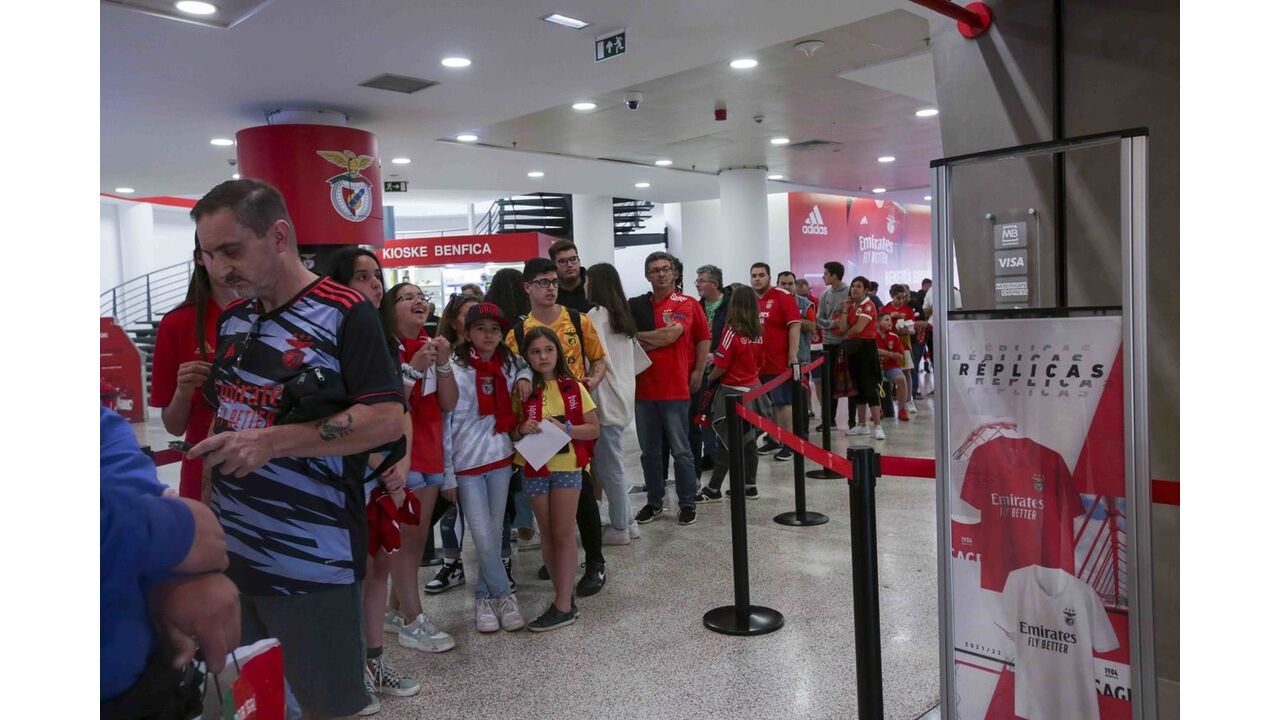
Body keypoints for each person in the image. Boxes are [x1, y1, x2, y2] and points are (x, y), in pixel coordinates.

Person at [188, 179, 406, 719]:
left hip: (313, 562)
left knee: (331, 706)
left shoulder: (345, 312)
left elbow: (386, 417)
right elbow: (231, 420)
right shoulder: (236, 318)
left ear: (279, 235)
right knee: (252, 705)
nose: (218, 269)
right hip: (233, 561)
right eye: (208, 255)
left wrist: (274, 442)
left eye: (231, 251)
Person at [328, 260, 427, 713]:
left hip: (383, 475)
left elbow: (396, 408)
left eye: (376, 277)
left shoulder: (384, 343)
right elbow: (328, 417)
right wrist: (377, 459)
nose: (372, 284)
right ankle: (347, 671)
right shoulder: (327, 337)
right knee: (353, 573)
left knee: (379, 568)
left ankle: (373, 662)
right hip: (343, 476)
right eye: (361, 275)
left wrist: (399, 464)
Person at [101, 406, 240, 719]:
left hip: (143, 681)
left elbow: (110, 450)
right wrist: (172, 533)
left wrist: (166, 576)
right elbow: (198, 537)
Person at [505, 257, 609, 596]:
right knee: (546, 499)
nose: (550, 288)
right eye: (543, 282)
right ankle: (560, 556)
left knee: (584, 490)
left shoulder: (577, 320)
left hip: (576, 413)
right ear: (528, 288)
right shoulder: (517, 332)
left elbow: (600, 360)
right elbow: (511, 371)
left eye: (554, 281)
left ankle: (594, 561)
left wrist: (588, 384)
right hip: (536, 420)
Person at [435, 302, 533, 634]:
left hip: (501, 458)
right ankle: (504, 595)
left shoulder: (509, 362)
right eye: (481, 329)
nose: (488, 335)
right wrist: (447, 472)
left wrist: (522, 376)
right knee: (480, 533)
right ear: (467, 331)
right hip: (466, 464)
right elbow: (445, 423)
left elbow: (527, 367)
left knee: (493, 530)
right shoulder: (452, 367)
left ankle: (482, 596)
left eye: (494, 329)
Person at [378, 284, 458, 655]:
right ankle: (414, 620)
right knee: (405, 543)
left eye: (421, 296)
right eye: (406, 297)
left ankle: (394, 611)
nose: (418, 301)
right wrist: (413, 369)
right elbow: (388, 407)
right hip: (401, 456)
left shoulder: (429, 342)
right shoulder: (382, 347)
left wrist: (442, 363)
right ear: (390, 310)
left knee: (417, 537)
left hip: (430, 452)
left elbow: (448, 402)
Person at [512, 327, 600, 630]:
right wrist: (523, 427)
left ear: (558, 352)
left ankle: (563, 605)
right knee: (547, 533)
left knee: (563, 532)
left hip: (567, 466)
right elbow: (510, 429)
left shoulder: (573, 387)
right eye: (535, 352)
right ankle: (562, 594)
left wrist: (567, 430)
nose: (543, 356)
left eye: (548, 350)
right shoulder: (521, 388)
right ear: (527, 357)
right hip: (534, 466)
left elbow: (593, 428)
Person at [149, 232, 237, 499]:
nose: (230, 261)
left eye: (236, 249)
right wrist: (183, 391)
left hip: (269, 466)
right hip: (203, 470)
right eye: (218, 252)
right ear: (200, 257)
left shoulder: (269, 314)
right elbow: (174, 426)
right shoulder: (177, 323)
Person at [630, 251, 711, 526]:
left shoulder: (685, 303)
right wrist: (653, 340)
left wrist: (699, 370)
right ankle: (655, 502)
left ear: (675, 273)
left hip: (676, 388)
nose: (661, 274)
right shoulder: (639, 307)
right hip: (643, 389)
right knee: (649, 451)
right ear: (647, 275)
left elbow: (681, 336)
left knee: (681, 449)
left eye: (666, 269)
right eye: (654, 270)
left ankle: (687, 502)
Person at [423, 293, 480, 595]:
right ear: (454, 320)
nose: (474, 320)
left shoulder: (493, 352)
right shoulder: (441, 354)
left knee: (492, 515)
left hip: (487, 449)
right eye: (468, 313)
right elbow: (444, 410)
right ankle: (451, 564)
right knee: (450, 509)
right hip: (452, 443)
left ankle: (499, 566)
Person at [585, 263, 641, 545]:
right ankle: (628, 521)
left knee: (610, 468)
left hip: (604, 399)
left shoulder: (596, 316)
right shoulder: (622, 317)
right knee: (614, 463)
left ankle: (619, 527)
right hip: (623, 396)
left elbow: (597, 358)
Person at [694, 287, 766, 502]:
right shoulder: (758, 332)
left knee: (726, 441)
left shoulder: (732, 331)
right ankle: (749, 485)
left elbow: (722, 365)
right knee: (749, 440)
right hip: (754, 389)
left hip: (732, 392)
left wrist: (710, 377)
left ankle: (714, 488)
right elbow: (761, 362)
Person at [749, 262, 800, 461]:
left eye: (761, 275)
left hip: (779, 362)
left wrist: (792, 356)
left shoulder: (782, 296)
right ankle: (773, 438)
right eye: (754, 275)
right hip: (757, 363)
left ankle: (789, 443)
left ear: (769, 277)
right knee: (767, 405)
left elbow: (794, 326)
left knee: (783, 403)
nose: (757, 279)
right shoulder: (751, 299)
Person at [835, 275, 886, 441]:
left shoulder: (869, 305)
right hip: (853, 350)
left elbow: (858, 328)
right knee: (857, 387)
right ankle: (862, 425)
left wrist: (845, 334)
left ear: (866, 290)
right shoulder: (852, 306)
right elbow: (842, 326)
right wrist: (844, 309)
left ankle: (878, 426)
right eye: (853, 286)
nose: (854, 289)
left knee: (869, 386)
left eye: (859, 286)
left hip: (865, 349)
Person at [693, 264, 730, 472]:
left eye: (701, 281)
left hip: (726, 370)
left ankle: (726, 452)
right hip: (702, 370)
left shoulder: (731, 307)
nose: (697, 285)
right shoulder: (696, 307)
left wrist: (717, 355)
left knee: (723, 415)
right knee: (703, 412)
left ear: (714, 284)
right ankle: (710, 453)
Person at [778, 271, 817, 432]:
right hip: (777, 360)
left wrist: (791, 319)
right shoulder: (773, 303)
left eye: (790, 283)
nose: (787, 287)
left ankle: (802, 433)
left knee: (799, 397)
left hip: (800, 359)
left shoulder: (805, 304)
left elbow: (812, 326)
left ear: (795, 285)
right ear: (778, 284)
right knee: (779, 401)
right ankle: (778, 435)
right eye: (783, 284)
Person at [815, 262, 850, 432]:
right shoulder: (824, 295)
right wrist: (834, 324)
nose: (823, 276)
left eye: (826, 273)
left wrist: (841, 325)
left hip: (846, 344)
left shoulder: (850, 293)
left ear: (835, 275)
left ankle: (853, 421)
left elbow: (851, 321)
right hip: (828, 345)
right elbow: (819, 319)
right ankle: (829, 420)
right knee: (828, 384)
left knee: (849, 382)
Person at [880, 284, 920, 413]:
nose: (901, 301)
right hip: (887, 344)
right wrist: (891, 316)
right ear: (892, 296)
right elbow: (879, 325)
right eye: (898, 298)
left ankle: (909, 400)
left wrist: (908, 329)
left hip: (904, 343)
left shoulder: (908, 309)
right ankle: (888, 402)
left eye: (903, 298)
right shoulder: (885, 309)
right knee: (888, 375)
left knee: (907, 372)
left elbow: (912, 329)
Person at [795, 277, 823, 420]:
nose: (801, 297)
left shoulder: (816, 302)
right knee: (802, 382)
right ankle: (808, 409)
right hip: (799, 348)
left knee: (818, 380)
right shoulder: (789, 303)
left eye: (804, 294)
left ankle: (825, 411)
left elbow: (816, 324)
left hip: (818, 346)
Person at [875, 312, 912, 422]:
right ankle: (878, 410)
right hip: (876, 367)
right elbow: (873, 350)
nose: (890, 322)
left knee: (901, 379)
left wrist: (887, 354)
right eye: (886, 320)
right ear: (878, 322)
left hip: (891, 366)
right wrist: (890, 354)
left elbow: (899, 355)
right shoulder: (872, 336)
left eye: (890, 320)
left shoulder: (894, 337)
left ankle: (902, 409)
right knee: (874, 381)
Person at [548, 239, 592, 313]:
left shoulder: (593, 287)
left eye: (573, 259)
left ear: (579, 260)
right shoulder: (550, 292)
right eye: (562, 261)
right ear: (554, 265)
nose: (569, 265)